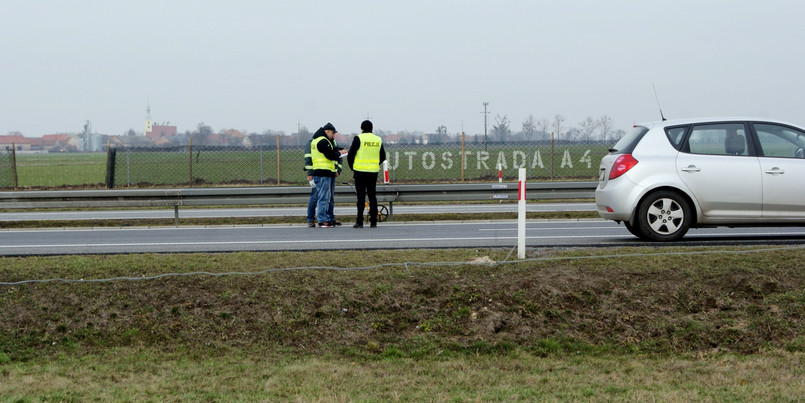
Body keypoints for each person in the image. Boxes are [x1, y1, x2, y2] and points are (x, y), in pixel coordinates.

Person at [347, 120, 386, 228]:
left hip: (359, 172)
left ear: (362, 129)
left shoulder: (358, 138)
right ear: (372, 128)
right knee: (372, 196)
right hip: (373, 173)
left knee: (360, 197)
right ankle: (373, 221)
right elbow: (383, 156)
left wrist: (353, 167)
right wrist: (374, 164)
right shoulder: (378, 139)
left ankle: (360, 221)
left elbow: (351, 155)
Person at [304, 125, 344, 227]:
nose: (334, 135)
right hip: (322, 173)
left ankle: (326, 218)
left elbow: (330, 150)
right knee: (323, 198)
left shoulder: (320, 140)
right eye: (333, 133)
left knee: (326, 198)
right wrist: (339, 153)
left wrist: (339, 150)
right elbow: (329, 154)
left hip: (325, 173)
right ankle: (322, 219)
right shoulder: (322, 141)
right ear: (327, 131)